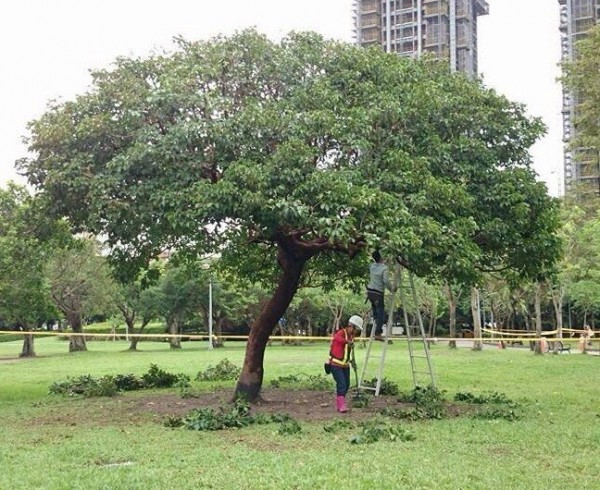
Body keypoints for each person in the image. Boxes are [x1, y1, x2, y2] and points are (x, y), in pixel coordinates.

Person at [326, 315, 363, 413]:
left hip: (345, 365)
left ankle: (340, 402)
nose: (356, 332)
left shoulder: (351, 336)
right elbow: (337, 339)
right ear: (351, 326)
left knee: (347, 385)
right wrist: (347, 342)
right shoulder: (341, 333)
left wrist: (352, 361)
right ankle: (341, 405)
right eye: (356, 329)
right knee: (341, 384)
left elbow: (347, 351)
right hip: (335, 365)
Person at [366, 250, 393, 340]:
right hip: (378, 294)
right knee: (381, 315)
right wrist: (392, 289)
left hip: (370, 293)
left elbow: (378, 263)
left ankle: (375, 329)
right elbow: (385, 281)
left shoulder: (372, 266)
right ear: (381, 257)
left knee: (376, 314)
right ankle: (378, 333)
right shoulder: (384, 268)